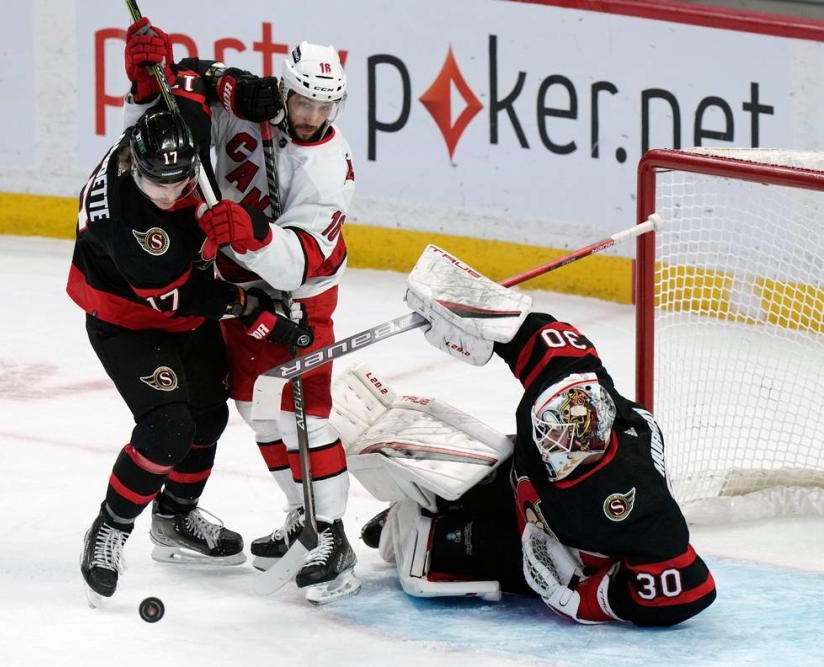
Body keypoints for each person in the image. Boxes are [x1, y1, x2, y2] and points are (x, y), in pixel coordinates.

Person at [334, 245, 716, 626]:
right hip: (528, 489)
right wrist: (469, 307)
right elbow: (525, 331)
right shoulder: (564, 382)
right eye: (550, 438)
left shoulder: (634, 503)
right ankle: (434, 506)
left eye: (566, 451)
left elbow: (688, 592)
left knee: (434, 550)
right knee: (465, 478)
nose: (556, 452)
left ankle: (414, 526)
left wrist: (579, 598)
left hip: (569, 548)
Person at [123, 19, 358, 603]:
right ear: (286, 89)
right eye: (303, 101)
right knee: (258, 409)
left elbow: (304, 261)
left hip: (297, 296)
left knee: (311, 416)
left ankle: (331, 535)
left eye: (323, 107)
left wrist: (252, 234)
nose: (310, 117)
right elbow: (174, 113)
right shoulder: (252, 108)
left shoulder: (329, 167)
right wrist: (165, 83)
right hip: (237, 286)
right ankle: (300, 515)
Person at [69, 67, 311, 605]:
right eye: (160, 182)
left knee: (209, 414)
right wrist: (251, 306)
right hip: (128, 320)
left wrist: (234, 87)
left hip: (181, 305)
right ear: (134, 161)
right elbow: (185, 298)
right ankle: (110, 527)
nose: (172, 191)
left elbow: (187, 78)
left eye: (180, 180)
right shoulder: (135, 233)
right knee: (168, 427)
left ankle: (174, 519)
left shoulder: (178, 134)